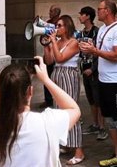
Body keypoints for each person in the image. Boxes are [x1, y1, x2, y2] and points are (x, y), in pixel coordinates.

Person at [0, 58, 81, 167]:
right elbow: (74, 109)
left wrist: (3, 87)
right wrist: (46, 79)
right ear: (30, 91)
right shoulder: (48, 123)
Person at [79, 0, 117, 167]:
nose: (98, 11)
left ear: (108, 11)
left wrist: (94, 51)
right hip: (103, 80)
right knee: (109, 119)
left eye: (100, 9)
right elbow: (101, 51)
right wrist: (90, 48)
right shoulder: (102, 29)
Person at [42, 15, 85, 165]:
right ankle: (66, 144)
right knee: (58, 111)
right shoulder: (58, 41)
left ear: (67, 27)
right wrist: (46, 46)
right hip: (57, 74)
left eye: (60, 25)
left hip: (68, 74)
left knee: (71, 111)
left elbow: (60, 58)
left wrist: (53, 41)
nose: (57, 28)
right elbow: (50, 61)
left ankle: (79, 151)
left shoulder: (74, 42)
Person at [78, 6, 107, 140]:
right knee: (91, 99)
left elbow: (100, 52)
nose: (79, 16)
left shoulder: (97, 32)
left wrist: (93, 68)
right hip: (84, 68)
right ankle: (95, 124)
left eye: (82, 14)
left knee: (98, 99)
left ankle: (102, 127)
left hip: (94, 71)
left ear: (88, 16)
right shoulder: (81, 33)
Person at [42, 4, 62, 108]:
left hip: (56, 52)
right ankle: (48, 100)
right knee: (47, 77)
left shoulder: (60, 23)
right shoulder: (48, 23)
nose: (49, 13)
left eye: (51, 11)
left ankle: (56, 100)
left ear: (56, 13)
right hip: (48, 52)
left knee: (55, 79)